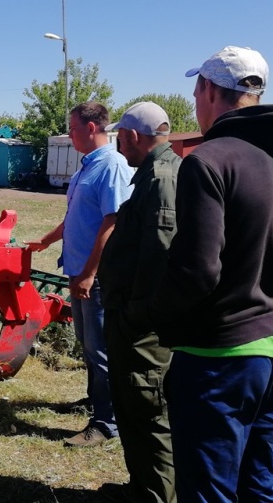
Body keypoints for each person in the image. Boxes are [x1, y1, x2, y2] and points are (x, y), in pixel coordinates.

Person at [120, 46, 273, 502]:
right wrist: (254, 301)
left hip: (216, 362)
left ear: (209, 90)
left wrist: (152, 316)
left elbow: (197, 271)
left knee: (209, 493)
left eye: (195, 91)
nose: (194, 101)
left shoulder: (209, 161)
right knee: (261, 487)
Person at [26, 101, 132, 446]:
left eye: (72, 128)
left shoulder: (112, 166)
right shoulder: (88, 166)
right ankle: (97, 401)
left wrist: (89, 273)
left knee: (101, 349)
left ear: (90, 128)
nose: (69, 134)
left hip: (95, 276)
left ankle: (107, 423)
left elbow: (113, 222)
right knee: (87, 344)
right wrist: (46, 240)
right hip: (77, 269)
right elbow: (77, 216)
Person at [97, 102, 180, 503]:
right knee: (132, 405)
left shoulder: (161, 178)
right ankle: (140, 488)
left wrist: (135, 315)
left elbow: (161, 256)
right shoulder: (149, 174)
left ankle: (155, 496)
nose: (120, 145)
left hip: (142, 327)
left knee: (148, 412)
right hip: (132, 318)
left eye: (121, 137)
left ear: (132, 136)